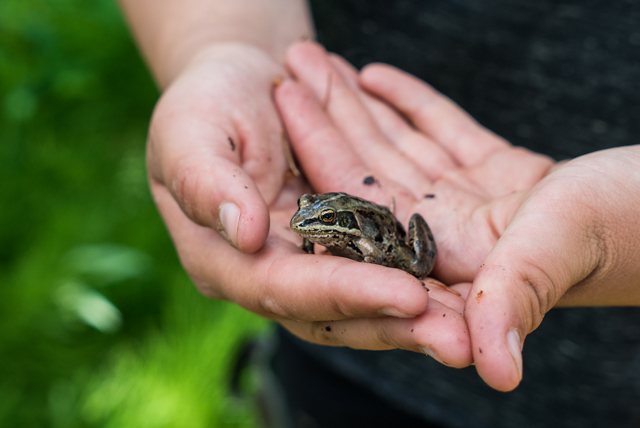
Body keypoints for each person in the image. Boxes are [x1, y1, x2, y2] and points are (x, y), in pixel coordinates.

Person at [118, 0, 640, 426]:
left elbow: (373, 248)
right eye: (309, 216)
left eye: (319, 222)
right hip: (339, 382)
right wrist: (223, 44)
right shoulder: (322, 221)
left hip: (606, 398)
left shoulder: (361, 233)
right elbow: (318, 230)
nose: (310, 226)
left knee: (412, 269)